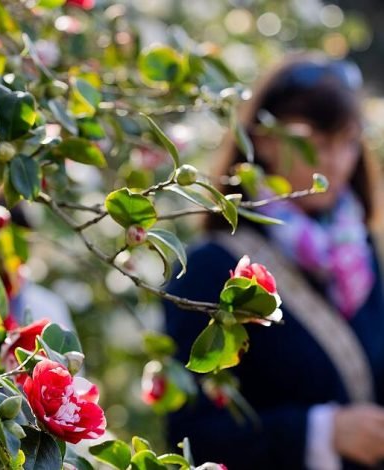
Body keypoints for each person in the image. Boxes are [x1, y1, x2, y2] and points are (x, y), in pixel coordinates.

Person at [163, 54, 384, 469]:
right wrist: (321, 432)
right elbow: (190, 435)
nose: (335, 161)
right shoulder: (209, 268)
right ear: (263, 140)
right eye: (315, 142)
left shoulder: (360, 252)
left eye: (348, 141)